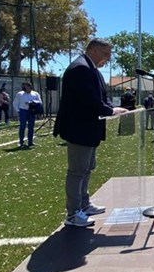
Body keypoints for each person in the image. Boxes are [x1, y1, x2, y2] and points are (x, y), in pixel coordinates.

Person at [53, 38, 127, 227]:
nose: (107, 59)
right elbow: (88, 100)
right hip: (79, 129)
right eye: (105, 54)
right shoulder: (80, 68)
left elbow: (101, 98)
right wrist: (110, 111)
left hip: (90, 129)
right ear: (93, 50)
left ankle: (84, 204)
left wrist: (113, 108)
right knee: (77, 171)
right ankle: (72, 214)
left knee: (87, 168)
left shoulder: (93, 69)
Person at [13, 81, 42, 148]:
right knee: (22, 126)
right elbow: (15, 103)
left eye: (26, 86)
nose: (25, 87)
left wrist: (32, 102)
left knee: (31, 127)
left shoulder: (35, 94)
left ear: (30, 86)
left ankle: (30, 142)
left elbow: (40, 102)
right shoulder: (20, 94)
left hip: (31, 111)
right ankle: (21, 142)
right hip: (23, 111)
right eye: (24, 86)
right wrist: (18, 111)